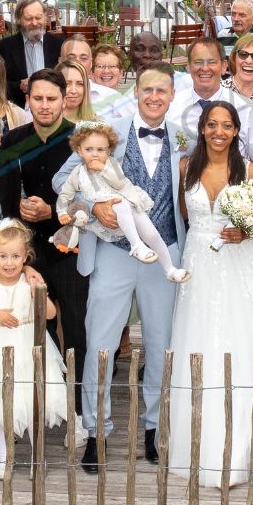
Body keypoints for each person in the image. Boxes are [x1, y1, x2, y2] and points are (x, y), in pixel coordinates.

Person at [51, 66, 187, 472]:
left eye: (162, 89)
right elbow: (63, 179)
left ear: (172, 94)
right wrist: (92, 207)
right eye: (147, 89)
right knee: (101, 345)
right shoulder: (105, 132)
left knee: (162, 345)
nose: (154, 96)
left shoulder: (186, 138)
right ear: (136, 92)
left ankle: (153, 429)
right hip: (112, 252)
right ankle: (96, 433)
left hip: (165, 250)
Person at [169, 100, 253, 486]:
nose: (218, 132)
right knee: (201, 347)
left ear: (236, 131)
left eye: (226, 126)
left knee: (244, 347)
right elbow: (184, 215)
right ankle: (202, 447)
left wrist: (247, 231)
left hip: (242, 265)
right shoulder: (185, 168)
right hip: (200, 265)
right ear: (202, 128)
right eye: (212, 124)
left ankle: (246, 450)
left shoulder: (249, 169)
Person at [0, 69, 85, 397]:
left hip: (70, 248)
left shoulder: (80, 139)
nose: (44, 105)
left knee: (76, 326)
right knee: (35, 326)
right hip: (27, 252)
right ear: (28, 100)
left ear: (65, 100)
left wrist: (53, 210)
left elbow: (92, 199)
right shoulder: (12, 140)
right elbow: (4, 200)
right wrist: (19, 208)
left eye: (51, 98)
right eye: (38, 99)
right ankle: (40, 397)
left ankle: (76, 402)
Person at [0, 220, 80, 479]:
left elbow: (52, 314)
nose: (9, 263)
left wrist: (37, 293)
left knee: (33, 401)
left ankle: (37, 456)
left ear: (25, 257)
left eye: (15, 256)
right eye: (3, 256)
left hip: (28, 344)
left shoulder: (31, 281)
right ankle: (4, 456)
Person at [55, 121, 190, 282]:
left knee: (152, 233)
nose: (95, 154)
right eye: (89, 150)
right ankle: (136, 245)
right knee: (120, 204)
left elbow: (119, 182)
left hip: (129, 204)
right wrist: (62, 212)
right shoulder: (77, 174)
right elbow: (65, 194)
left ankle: (170, 269)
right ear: (79, 151)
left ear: (108, 151)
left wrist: (103, 168)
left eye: (101, 150)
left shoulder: (111, 164)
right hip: (111, 216)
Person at [168, 38, 253, 161]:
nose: (205, 68)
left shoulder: (245, 109)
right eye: (198, 62)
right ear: (188, 67)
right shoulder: (171, 106)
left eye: (212, 62)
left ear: (223, 66)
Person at [0, 0, 65, 106]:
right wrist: (20, 85)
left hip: (54, 109)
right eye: (29, 18)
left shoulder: (59, 46)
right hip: (18, 112)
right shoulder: (2, 49)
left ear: (45, 17)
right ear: (19, 19)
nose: (34, 23)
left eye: (38, 17)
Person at [57, 57, 96, 123]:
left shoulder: (97, 126)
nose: (73, 91)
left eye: (80, 84)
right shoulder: (41, 124)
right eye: (67, 84)